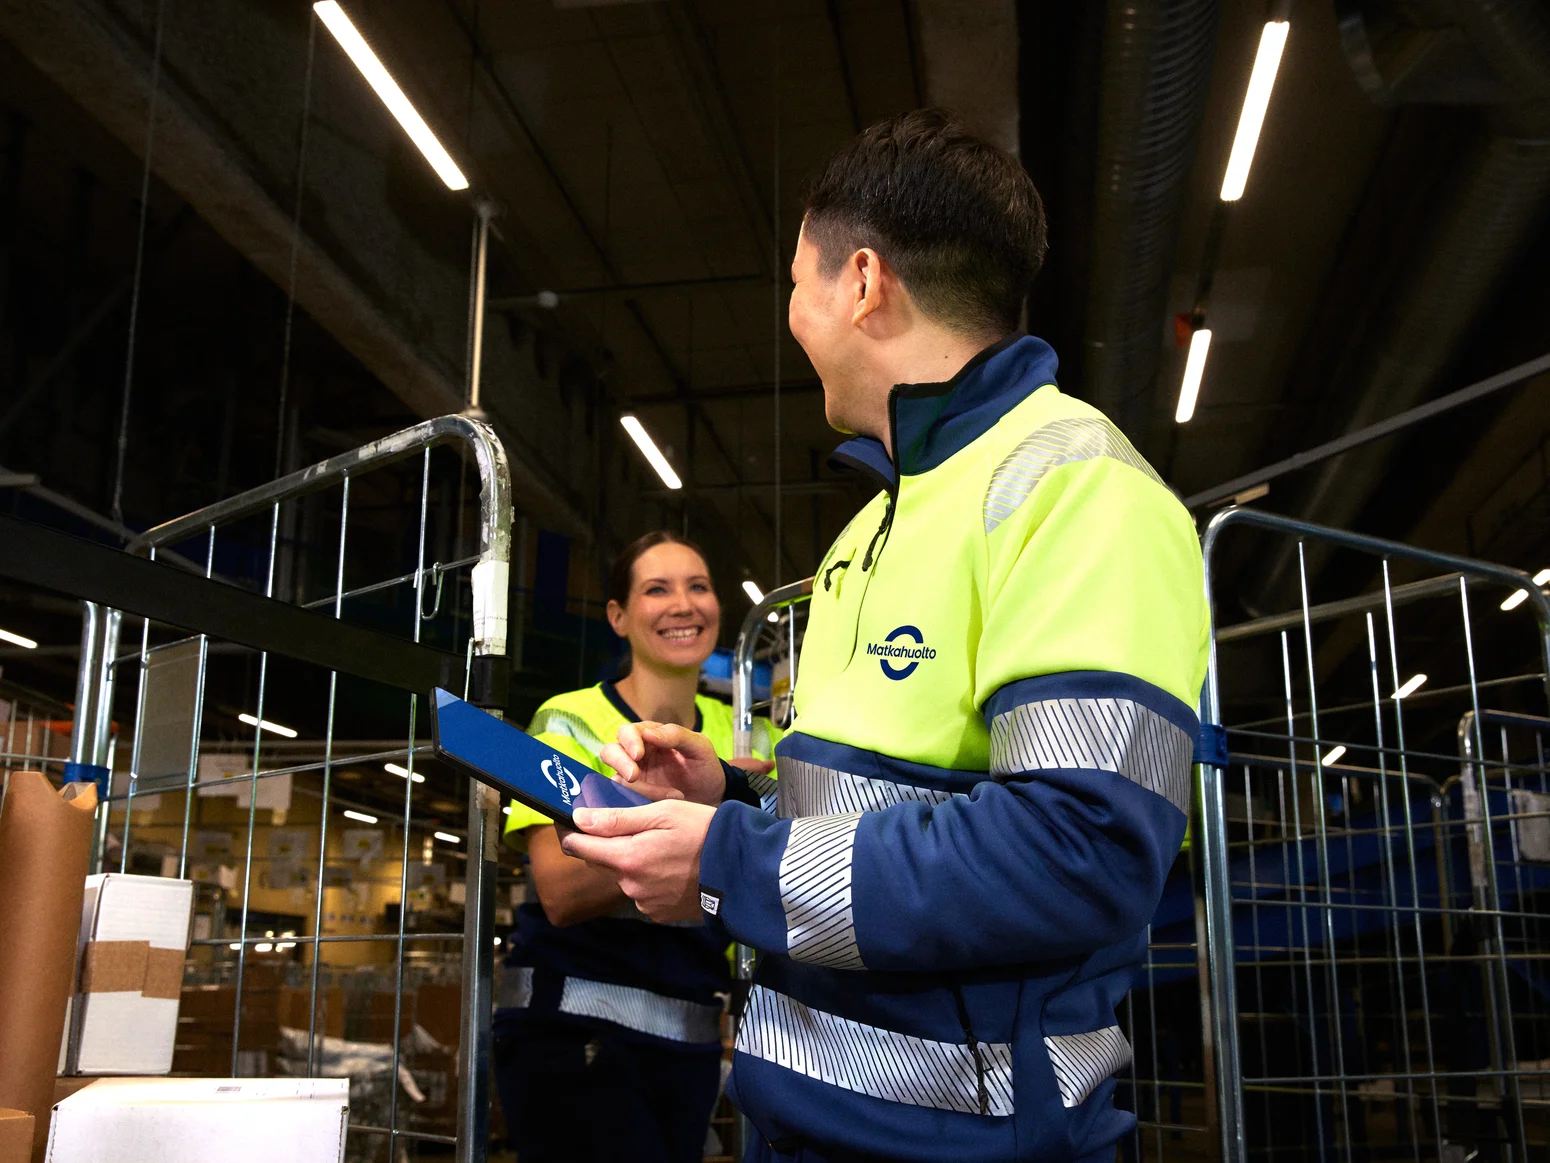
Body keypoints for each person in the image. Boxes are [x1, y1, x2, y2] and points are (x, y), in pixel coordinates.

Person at [560, 110, 1210, 1163]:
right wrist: (732, 801)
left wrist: (729, 860)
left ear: (860, 282)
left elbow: (1078, 850)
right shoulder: (870, 528)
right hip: (805, 1119)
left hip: (969, 1139)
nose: (791, 314)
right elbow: (879, 802)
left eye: (795, 281)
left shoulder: (1078, 489)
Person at [493, 530, 781, 1163]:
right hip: (573, 1034)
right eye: (657, 589)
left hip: (691, 1040)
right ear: (618, 616)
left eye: (698, 586)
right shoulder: (569, 720)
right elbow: (561, 891)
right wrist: (701, 816)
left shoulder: (754, 737)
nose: (683, 604)